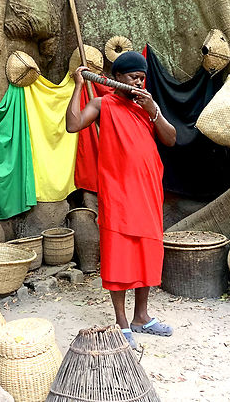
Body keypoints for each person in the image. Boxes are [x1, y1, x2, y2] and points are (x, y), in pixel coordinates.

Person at [66, 50, 176, 349]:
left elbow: (170, 138)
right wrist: (78, 85)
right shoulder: (103, 104)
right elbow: (73, 124)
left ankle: (142, 316)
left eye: (142, 78)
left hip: (149, 190)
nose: (139, 82)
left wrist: (154, 110)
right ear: (116, 78)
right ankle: (122, 322)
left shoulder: (146, 105)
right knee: (119, 255)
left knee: (146, 252)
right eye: (132, 77)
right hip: (118, 192)